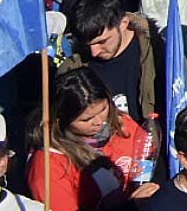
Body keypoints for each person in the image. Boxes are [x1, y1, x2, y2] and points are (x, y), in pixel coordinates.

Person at [25, 67, 156, 211]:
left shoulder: (120, 123)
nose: (99, 122)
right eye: (87, 119)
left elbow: (149, 156)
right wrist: (131, 206)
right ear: (60, 120)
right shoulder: (48, 165)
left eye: (103, 109)